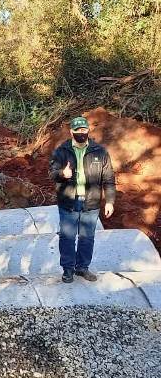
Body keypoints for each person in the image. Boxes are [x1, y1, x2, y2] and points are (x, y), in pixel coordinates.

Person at [49, 116, 115, 283]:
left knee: (87, 237)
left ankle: (82, 268)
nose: (81, 133)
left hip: (91, 202)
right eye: (77, 131)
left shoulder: (100, 152)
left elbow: (108, 178)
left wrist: (110, 201)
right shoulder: (62, 151)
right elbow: (51, 173)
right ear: (71, 132)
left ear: (88, 131)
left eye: (84, 130)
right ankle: (68, 269)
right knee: (67, 237)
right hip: (68, 201)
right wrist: (62, 174)